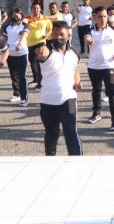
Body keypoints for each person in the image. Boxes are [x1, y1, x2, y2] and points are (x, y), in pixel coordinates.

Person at [36, 21, 83, 156]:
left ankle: (78, 161)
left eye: (61, 34)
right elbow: (41, 53)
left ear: (68, 36)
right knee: (51, 134)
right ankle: (50, 162)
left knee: (71, 132)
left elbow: (75, 68)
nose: (58, 37)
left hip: (69, 98)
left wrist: (77, 82)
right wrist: (41, 51)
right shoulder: (48, 51)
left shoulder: (74, 53)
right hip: (48, 101)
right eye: (55, 34)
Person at [86, 6, 114, 131]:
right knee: (96, 90)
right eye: (100, 17)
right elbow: (87, 38)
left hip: (108, 65)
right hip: (93, 66)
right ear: (95, 18)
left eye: (104, 16)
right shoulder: (91, 30)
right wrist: (89, 41)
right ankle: (96, 113)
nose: (103, 19)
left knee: (111, 91)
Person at [1, 8, 30, 106]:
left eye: (17, 16)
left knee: (22, 76)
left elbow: (25, 35)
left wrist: (20, 44)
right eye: (13, 16)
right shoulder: (7, 27)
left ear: (21, 16)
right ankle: (16, 94)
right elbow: (4, 39)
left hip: (21, 53)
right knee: (13, 76)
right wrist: (2, 49)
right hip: (10, 54)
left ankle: (24, 98)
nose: (15, 17)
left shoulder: (24, 25)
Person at [25, 3, 52, 89]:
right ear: (31, 10)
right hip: (30, 43)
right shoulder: (28, 19)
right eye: (34, 8)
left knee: (39, 62)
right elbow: (23, 23)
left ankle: (41, 83)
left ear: (40, 9)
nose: (36, 10)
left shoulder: (45, 19)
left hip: (40, 42)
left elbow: (50, 29)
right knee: (32, 62)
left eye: (37, 8)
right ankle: (36, 79)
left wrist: (47, 35)